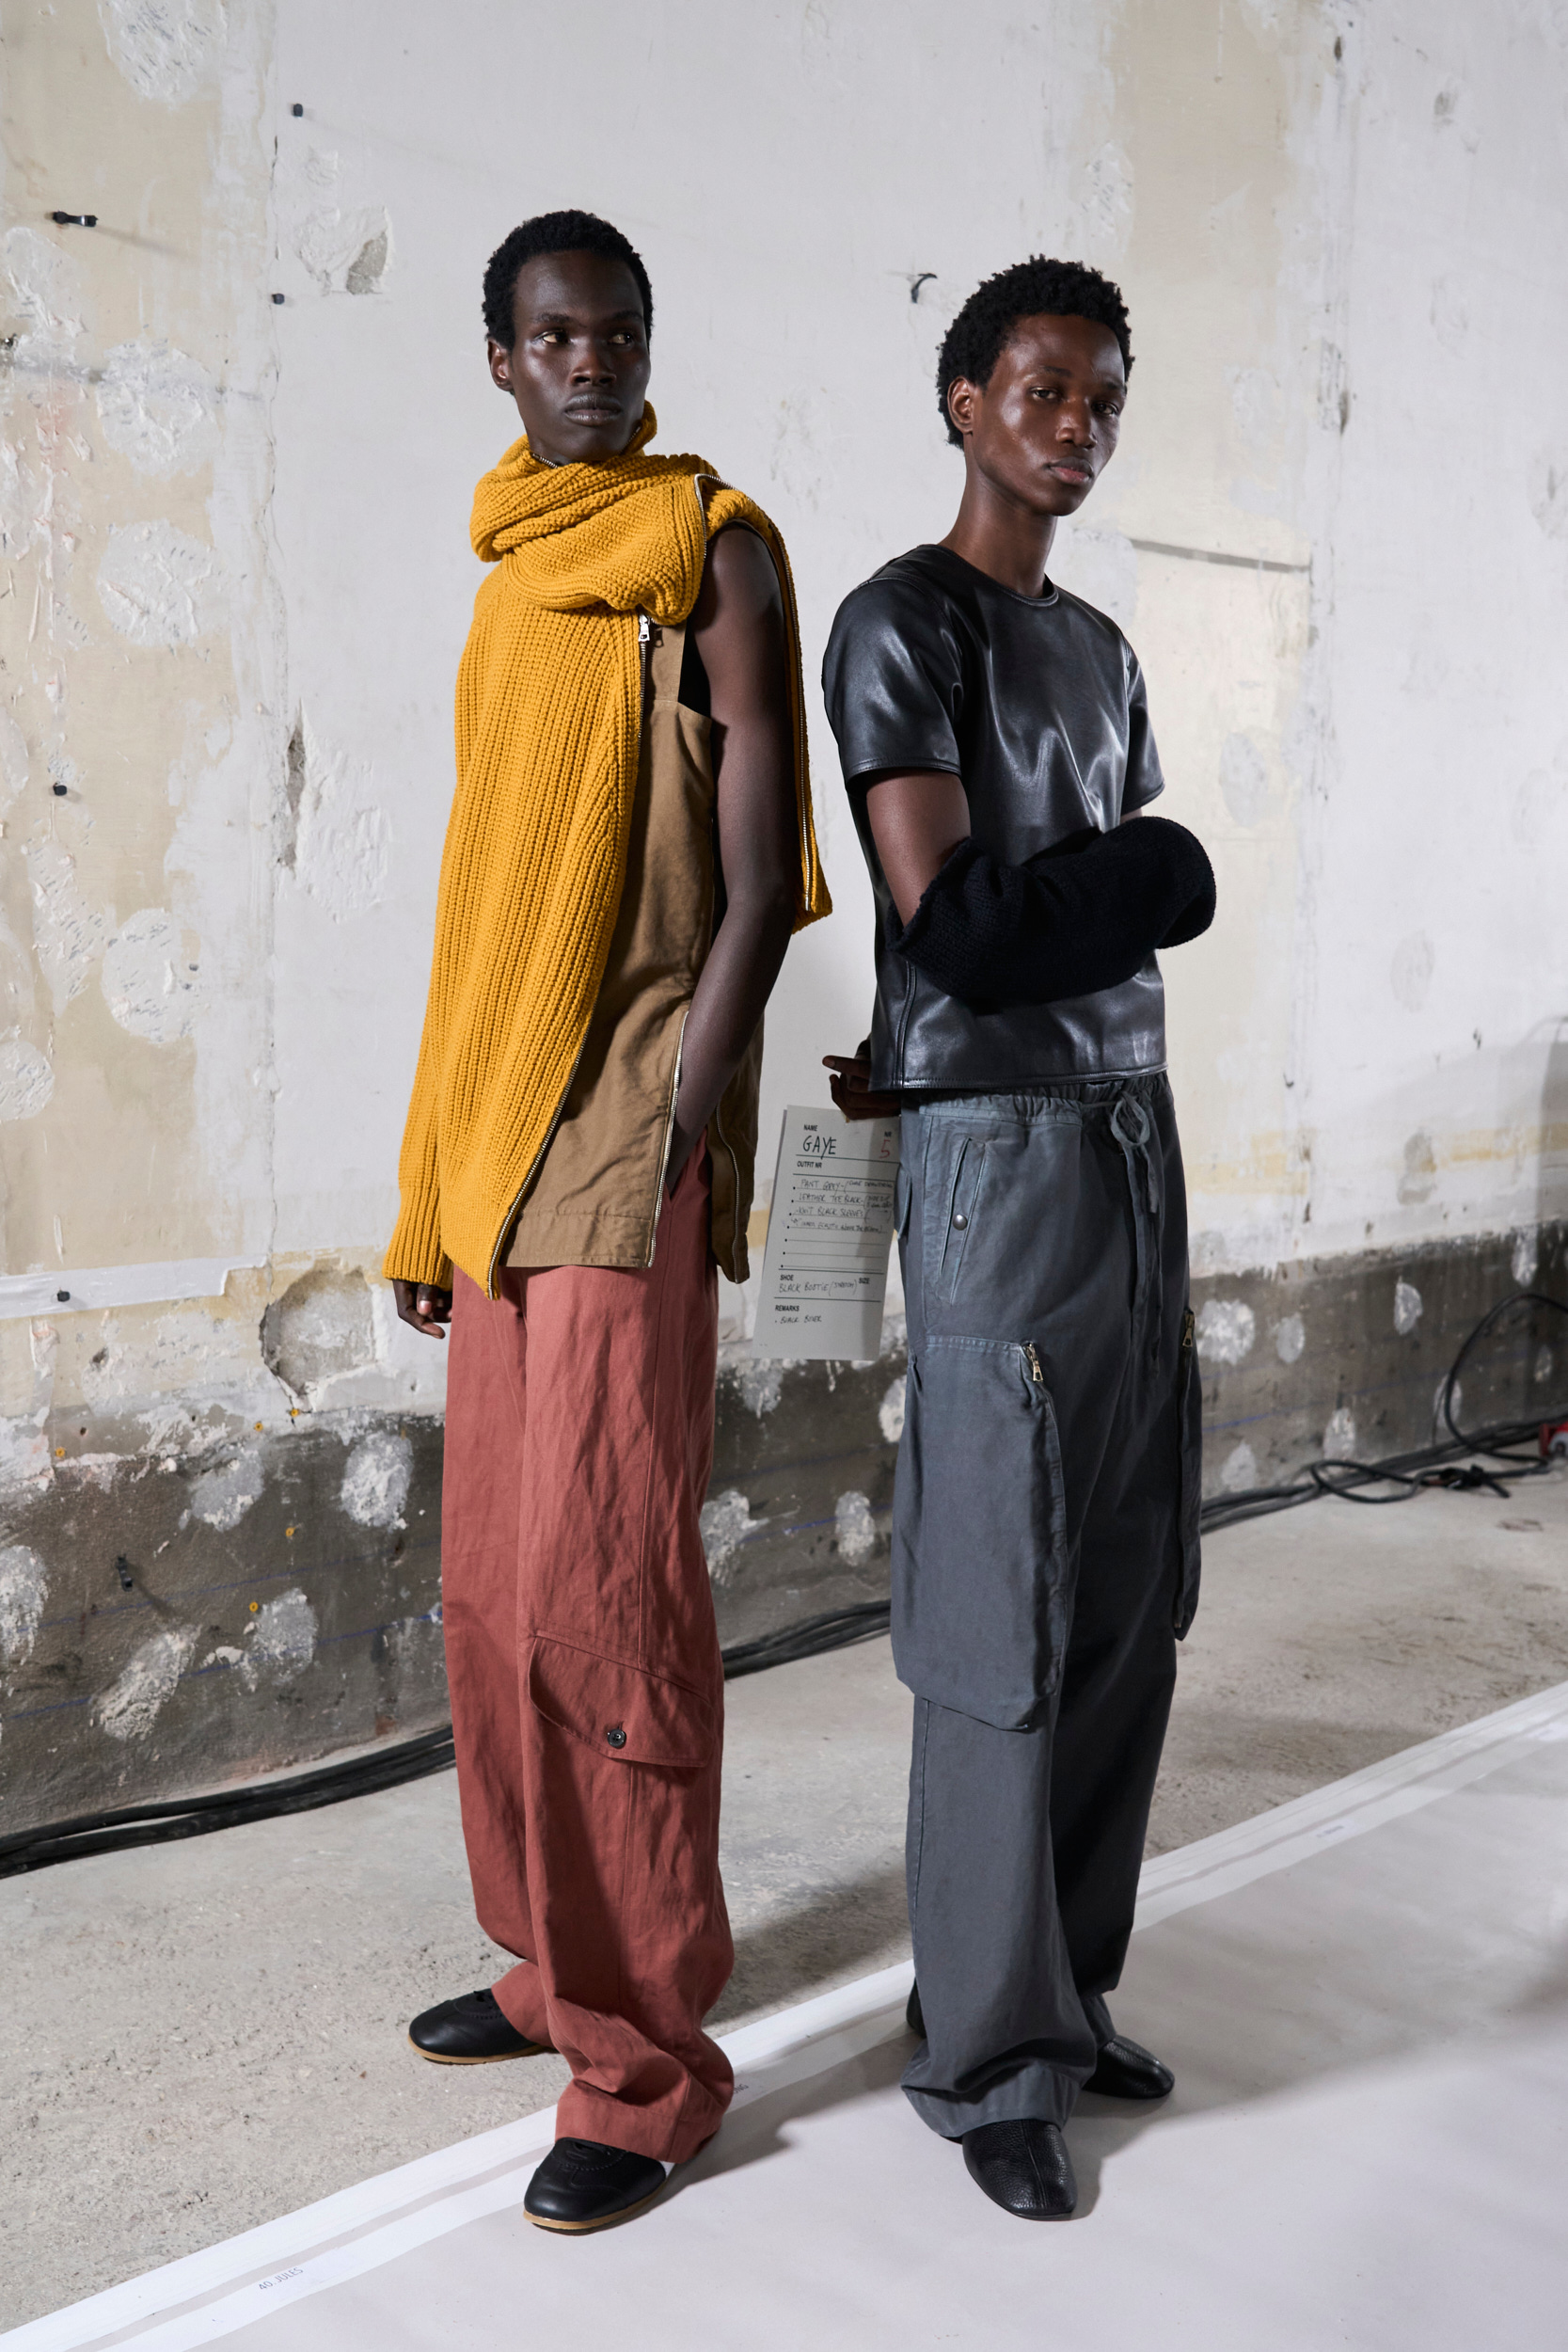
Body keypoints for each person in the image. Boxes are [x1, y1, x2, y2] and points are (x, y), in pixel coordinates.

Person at [383, 209, 830, 2234]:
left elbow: (756, 884)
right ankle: (546, 1958)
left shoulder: (714, 550)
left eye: (620, 333)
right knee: (490, 1591)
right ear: (499, 359)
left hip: (621, 1130)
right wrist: (427, 1172)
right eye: (554, 336)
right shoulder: (507, 569)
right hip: (496, 1138)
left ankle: (646, 2059)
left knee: (605, 1601)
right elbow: (484, 912)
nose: (591, 364)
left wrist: (673, 1123)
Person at [821, 257, 1213, 2220]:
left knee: (1134, 1584)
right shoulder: (903, 622)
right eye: (1043, 389)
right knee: (1006, 1601)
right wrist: (1139, 880)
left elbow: (1081, 896)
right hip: (994, 1147)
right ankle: (981, 2049)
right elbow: (958, 928)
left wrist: (1108, 889)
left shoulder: (1106, 649)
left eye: (1102, 399)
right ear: (965, 398)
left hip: (1133, 1126)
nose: (1076, 425)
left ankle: (1068, 1991)